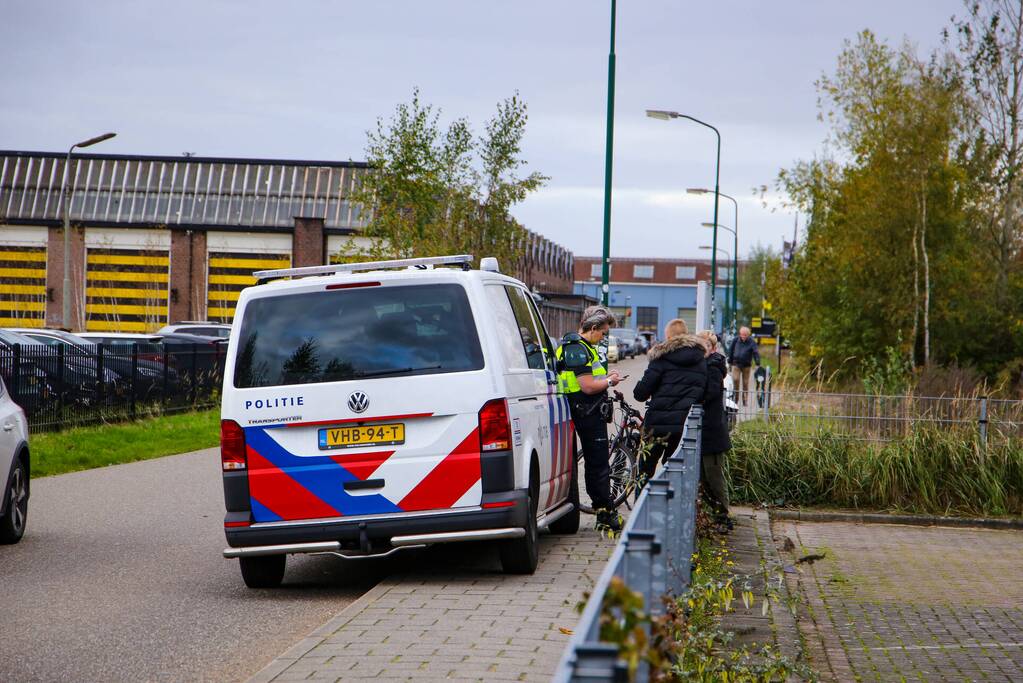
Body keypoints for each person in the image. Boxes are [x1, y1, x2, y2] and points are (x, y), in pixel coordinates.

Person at [557, 306, 622, 532]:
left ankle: (600, 509)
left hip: (580, 409)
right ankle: (604, 513)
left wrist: (605, 377)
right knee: (598, 464)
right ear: (593, 328)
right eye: (603, 333)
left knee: (594, 463)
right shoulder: (578, 349)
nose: (604, 338)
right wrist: (610, 382)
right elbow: (587, 386)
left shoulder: (576, 346)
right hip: (585, 410)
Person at [633, 318, 707, 483]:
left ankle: (640, 505)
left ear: (669, 337)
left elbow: (640, 394)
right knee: (674, 471)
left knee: (645, 471)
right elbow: (703, 393)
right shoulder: (700, 360)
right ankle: (669, 506)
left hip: (656, 426)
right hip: (685, 427)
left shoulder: (661, 358)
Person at [696, 330, 732, 530]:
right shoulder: (703, 365)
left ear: (713, 348)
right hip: (704, 429)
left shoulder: (714, 367)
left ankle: (723, 516)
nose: (702, 351)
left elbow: (708, 393)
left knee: (714, 476)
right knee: (701, 477)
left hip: (712, 431)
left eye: (706, 347)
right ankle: (714, 513)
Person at [727, 326, 760, 405]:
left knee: (745, 383)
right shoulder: (735, 340)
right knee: (735, 379)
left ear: (748, 335)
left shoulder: (752, 342)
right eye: (742, 334)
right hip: (736, 364)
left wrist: (757, 363)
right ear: (740, 334)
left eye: (745, 335)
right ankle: (736, 398)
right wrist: (730, 360)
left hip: (746, 365)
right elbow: (731, 350)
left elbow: (755, 352)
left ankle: (745, 399)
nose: (743, 336)